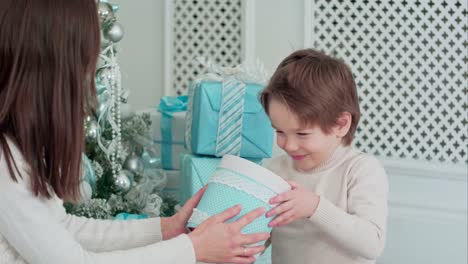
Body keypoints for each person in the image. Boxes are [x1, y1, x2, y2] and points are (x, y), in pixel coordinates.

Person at [0, 1, 269, 263]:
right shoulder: (5, 162)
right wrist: (192, 249)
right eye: (84, 64)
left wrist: (165, 229)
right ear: (53, 69)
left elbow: (64, 228)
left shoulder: (18, 148)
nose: (89, 77)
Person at [260, 49, 388, 264]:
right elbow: (261, 237)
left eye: (302, 133)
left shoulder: (359, 170)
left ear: (341, 124)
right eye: (279, 131)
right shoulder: (275, 171)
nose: (288, 145)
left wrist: (315, 207)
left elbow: (372, 244)